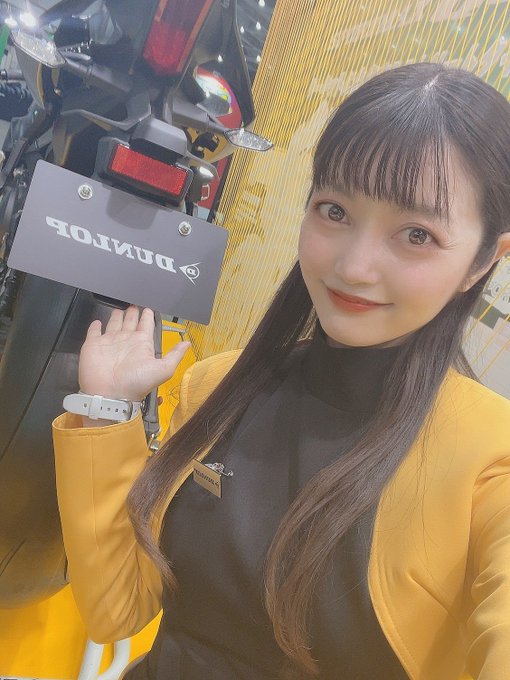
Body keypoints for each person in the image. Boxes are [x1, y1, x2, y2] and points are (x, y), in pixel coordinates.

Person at [52, 62, 510, 680]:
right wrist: (107, 410)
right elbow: (116, 611)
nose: (354, 266)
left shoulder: (492, 459)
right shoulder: (216, 387)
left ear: (484, 260)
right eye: (335, 211)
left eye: (417, 235)